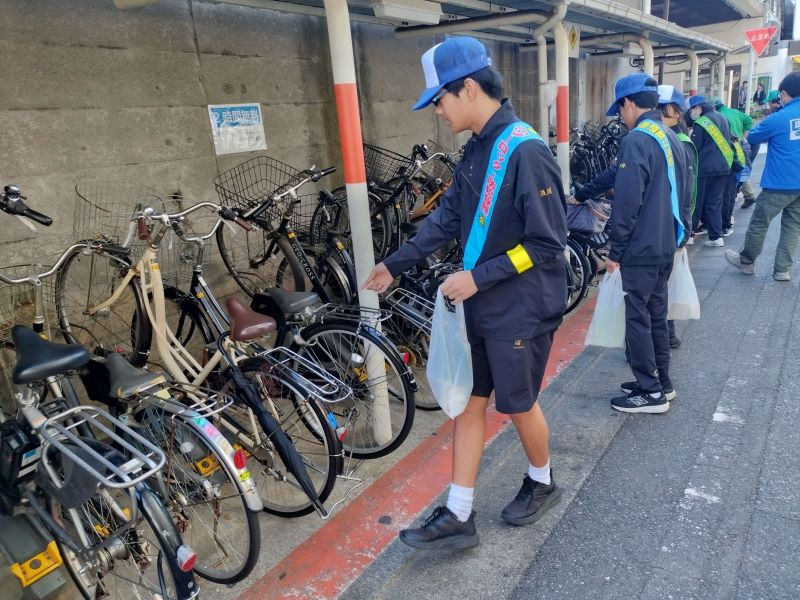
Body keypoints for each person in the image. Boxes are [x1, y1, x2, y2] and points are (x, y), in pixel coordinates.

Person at [363, 36, 567, 549]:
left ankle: (542, 479)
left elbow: (547, 243)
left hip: (521, 305)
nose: (438, 110)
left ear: (469, 88)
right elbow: (448, 217)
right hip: (485, 302)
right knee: (471, 403)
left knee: (518, 404)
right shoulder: (477, 148)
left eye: (440, 99)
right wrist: (394, 264)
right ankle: (458, 512)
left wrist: (477, 277)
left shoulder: (527, 151)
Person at [604, 74, 689, 414]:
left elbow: (627, 202)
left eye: (620, 109)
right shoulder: (670, 136)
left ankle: (650, 392)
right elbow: (686, 191)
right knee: (656, 314)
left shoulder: (637, 140)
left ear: (628, 103)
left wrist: (614, 251)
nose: (621, 116)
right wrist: (681, 235)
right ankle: (662, 382)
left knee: (637, 318)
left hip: (640, 247)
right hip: (666, 242)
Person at [726, 72, 800, 282]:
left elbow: (752, 136)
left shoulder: (778, 118)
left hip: (779, 183)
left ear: (784, 93)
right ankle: (782, 270)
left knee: (760, 223)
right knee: (793, 226)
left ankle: (746, 262)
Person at [686, 95, 734, 246]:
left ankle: (689, 235)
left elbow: (694, 147)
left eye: (692, 110)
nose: (691, 113)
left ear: (698, 108)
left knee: (696, 202)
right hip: (724, 166)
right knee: (715, 201)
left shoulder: (702, 122)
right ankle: (716, 237)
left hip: (705, 168)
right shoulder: (722, 117)